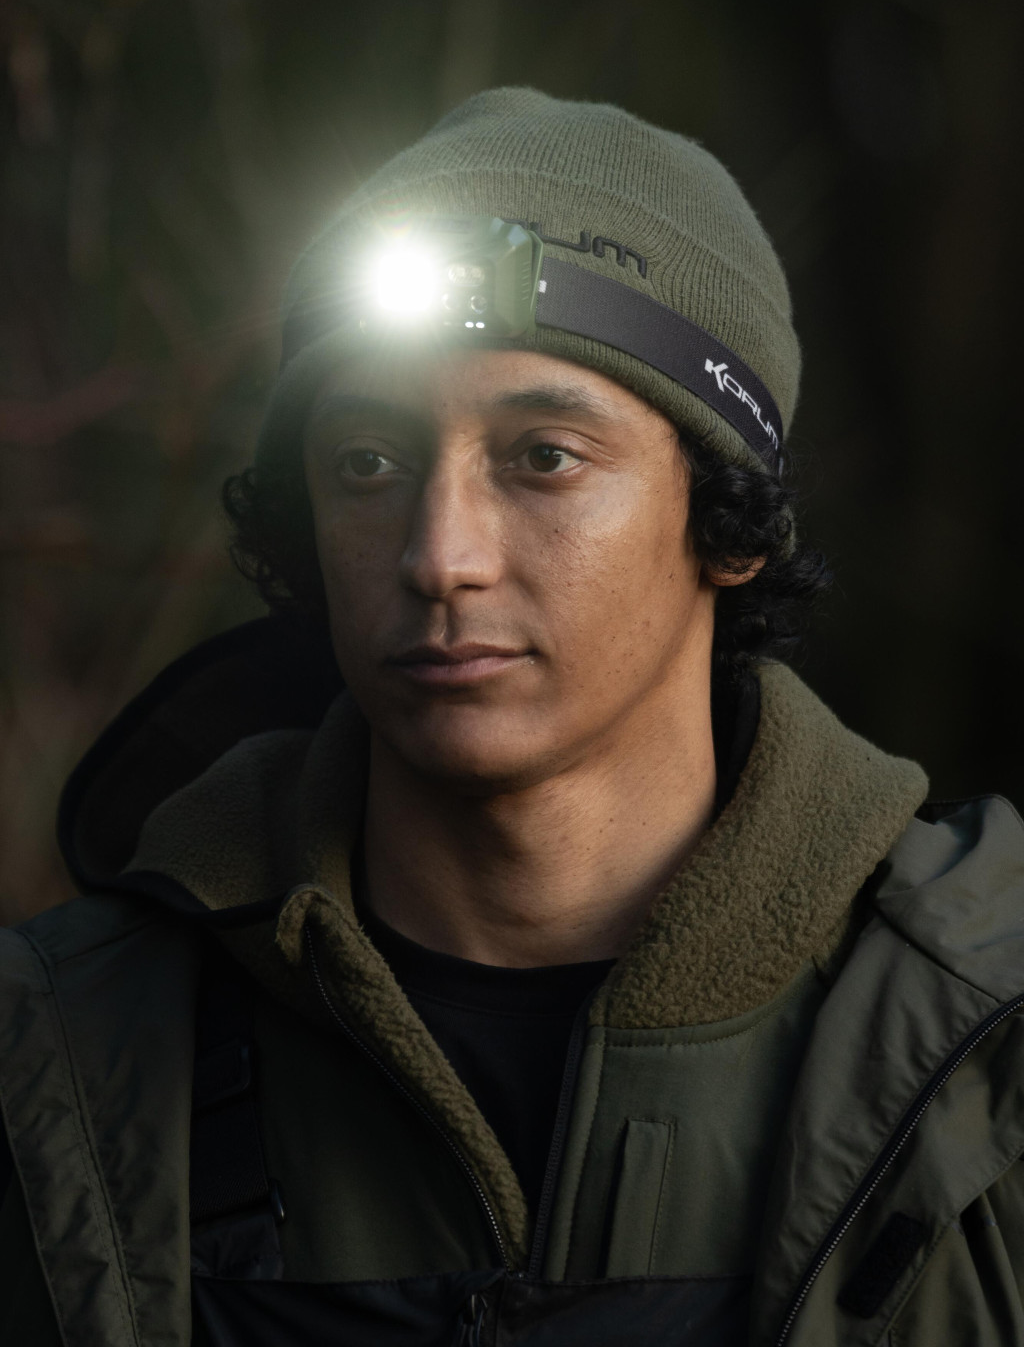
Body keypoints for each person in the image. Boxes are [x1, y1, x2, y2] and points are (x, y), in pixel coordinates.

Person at [2, 88, 1023, 1347]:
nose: (441, 556)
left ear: (727, 521)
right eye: (367, 464)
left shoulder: (983, 1050)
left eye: (543, 456)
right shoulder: (63, 1059)